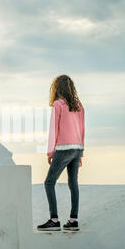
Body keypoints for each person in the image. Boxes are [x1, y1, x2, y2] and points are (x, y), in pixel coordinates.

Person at [37, 75, 85, 231]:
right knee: (73, 183)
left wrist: (50, 152)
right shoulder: (79, 106)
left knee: (49, 182)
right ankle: (73, 220)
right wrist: (81, 154)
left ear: (57, 88)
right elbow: (82, 130)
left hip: (63, 148)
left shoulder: (58, 105)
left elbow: (54, 130)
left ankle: (54, 219)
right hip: (77, 148)